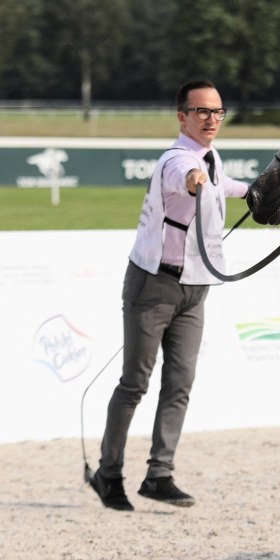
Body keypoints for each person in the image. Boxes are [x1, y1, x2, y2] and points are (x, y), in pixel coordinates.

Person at [88, 80, 249, 511]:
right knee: (135, 383)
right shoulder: (178, 160)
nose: (212, 119)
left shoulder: (211, 157)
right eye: (202, 112)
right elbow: (189, 179)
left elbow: (220, 181)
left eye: (217, 112)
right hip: (154, 285)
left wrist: (253, 190)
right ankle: (108, 474)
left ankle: (159, 475)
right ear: (182, 117)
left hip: (194, 288)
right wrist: (197, 181)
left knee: (180, 383)